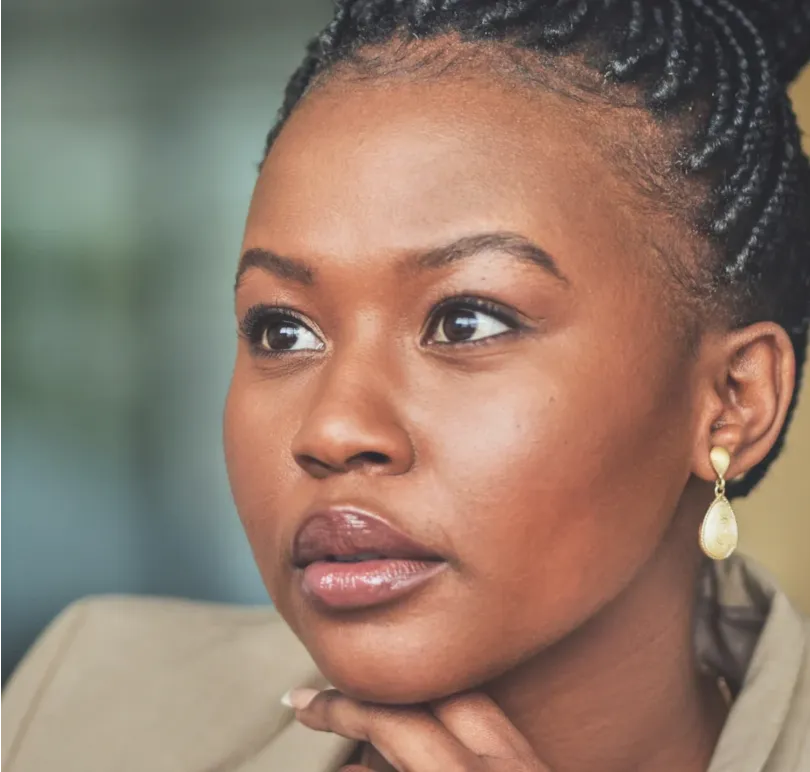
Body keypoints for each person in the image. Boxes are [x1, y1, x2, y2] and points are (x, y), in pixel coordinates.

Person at [2, 1, 810, 771]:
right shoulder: (84, 702)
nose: (331, 429)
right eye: (281, 331)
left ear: (734, 401)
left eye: (466, 321)